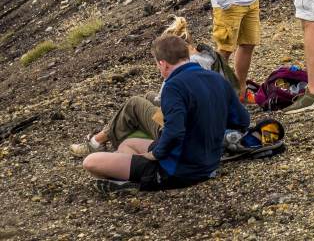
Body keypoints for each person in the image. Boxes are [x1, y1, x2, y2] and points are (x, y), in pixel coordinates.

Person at [82, 33, 250, 192]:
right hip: (209, 163)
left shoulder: (174, 86)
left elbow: (175, 132)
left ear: (163, 63)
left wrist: (155, 154)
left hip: (177, 171)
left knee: (90, 162)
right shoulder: (216, 79)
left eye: (157, 64)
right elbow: (242, 120)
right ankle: (129, 176)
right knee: (128, 144)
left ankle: (139, 178)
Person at [68, 17, 236, 157]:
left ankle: (97, 142)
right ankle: (109, 133)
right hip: (213, 120)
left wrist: (158, 151)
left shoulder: (184, 69)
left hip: (188, 130)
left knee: (135, 104)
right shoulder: (209, 57)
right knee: (148, 97)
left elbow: (167, 102)